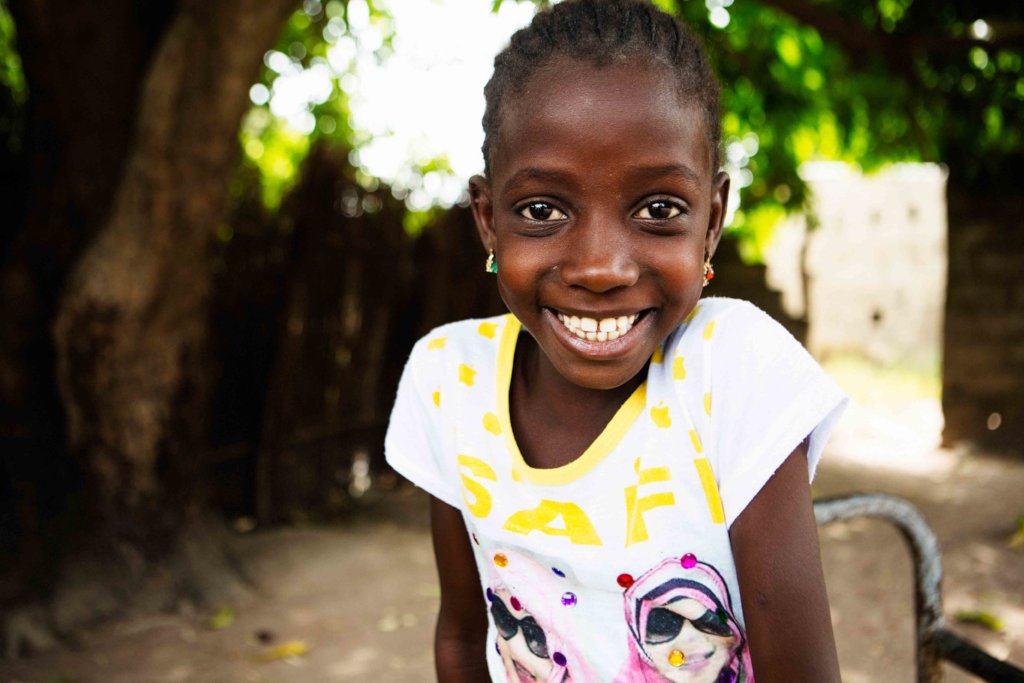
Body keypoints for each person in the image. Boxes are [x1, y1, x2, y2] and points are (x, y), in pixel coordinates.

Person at [385, 1, 847, 680]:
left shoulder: (735, 371)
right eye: (542, 210)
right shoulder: (447, 380)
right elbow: (462, 634)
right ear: (488, 221)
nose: (600, 267)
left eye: (659, 209)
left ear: (712, 220)